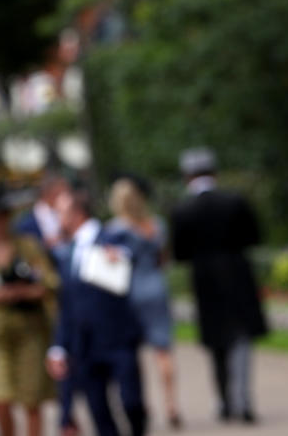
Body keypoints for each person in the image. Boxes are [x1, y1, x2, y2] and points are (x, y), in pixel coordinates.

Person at [171, 148, 267, 424]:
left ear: (187, 176)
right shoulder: (235, 201)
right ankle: (244, 399)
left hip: (205, 283)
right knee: (241, 338)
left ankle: (225, 401)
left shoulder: (182, 210)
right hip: (238, 277)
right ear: (214, 172)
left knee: (216, 343)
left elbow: (180, 254)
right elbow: (253, 237)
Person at [46, 186, 146, 436]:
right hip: (84, 343)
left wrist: (119, 255)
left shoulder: (110, 237)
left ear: (76, 213)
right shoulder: (66, 252)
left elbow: (130, 253)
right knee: (98, 409)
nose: (57, 219)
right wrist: (59, 346)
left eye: (60, 212)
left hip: (118, 337)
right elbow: (66, 304)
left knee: (131, 400)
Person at [0, 184, 59, 436]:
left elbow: (48, 284)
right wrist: (2, 294)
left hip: (29, 331)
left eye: (1, 215)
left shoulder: (27, 247)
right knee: (0, 398)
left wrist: (21, 292)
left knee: (32, 398)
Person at [106, 177, 181, 428]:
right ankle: (171, 404)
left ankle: (143, 402)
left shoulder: (116, 229)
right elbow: (163, 258)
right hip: (156, 286)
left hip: (130, 290)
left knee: (133, 353)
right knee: (163, 350)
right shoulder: (155, 225)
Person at [15, 173, 68, 251]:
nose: (65, 196)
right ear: (50, 193)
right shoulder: (26, 224)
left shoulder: (65, 212)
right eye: (61, 192)